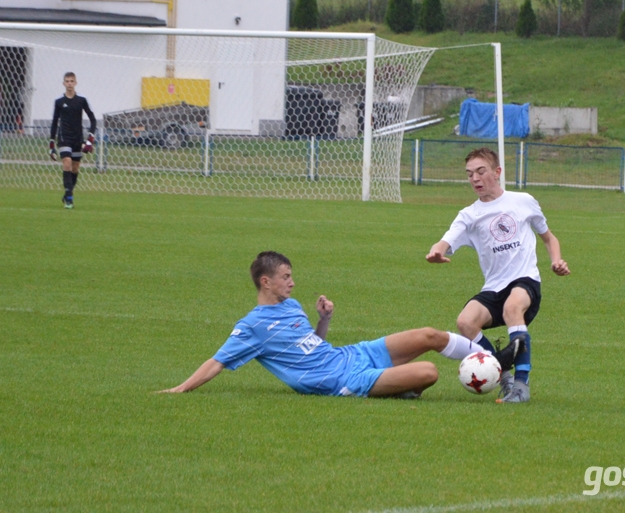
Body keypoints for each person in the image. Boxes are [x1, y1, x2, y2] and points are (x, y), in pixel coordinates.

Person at [159, 251, 521, 398]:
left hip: (350, 355)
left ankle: (496, 363)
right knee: (429, 372)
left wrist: (324, 320)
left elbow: (312, 343)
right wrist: (181, 389)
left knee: (430, 335)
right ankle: (396, 387)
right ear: (265, 282)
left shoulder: (292, 307)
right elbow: (217, 361)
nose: (292, 283)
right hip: (341, 380)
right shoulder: (252, 326)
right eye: (285, 277)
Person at [426, 147, 570, 404]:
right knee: (465, 321)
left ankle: (522, 386)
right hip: (494, 286)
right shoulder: (469, 215)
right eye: (469, 174)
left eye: (481, 171)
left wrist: (556, 261)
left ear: (497, 172)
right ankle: (504, 377)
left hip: (525, 280)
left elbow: (549, 238)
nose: (475, 178)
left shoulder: (523, 201)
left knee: (512, 307)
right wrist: (437, 251)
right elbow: (446, 240)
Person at [49, 72, 96, 209]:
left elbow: (93, 119)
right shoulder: (59, 102)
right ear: (64, 83)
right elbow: (54, 122)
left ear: (75, 83)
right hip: (64, 137)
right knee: (67, 163)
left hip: (77, 138)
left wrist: (89, 140)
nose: (69, 83)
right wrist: (52, 144)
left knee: (75, 168)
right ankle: (69, 199)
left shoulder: (81, 100)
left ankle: (67, 193)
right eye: (67, 81)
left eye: (71, 81)